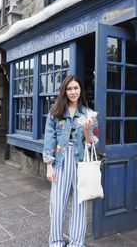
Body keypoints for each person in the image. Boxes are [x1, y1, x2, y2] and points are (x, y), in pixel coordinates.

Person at [43, 75, 99, 247]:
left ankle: (76, 243)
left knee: (79, 205)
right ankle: (56, 242)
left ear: (80, 90)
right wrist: (49, 166)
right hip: (60, 161)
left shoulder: (89, 113)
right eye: (69, 88)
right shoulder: (56, 112)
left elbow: (92, 143)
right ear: (64, 91)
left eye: (76, 88)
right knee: (58, 205)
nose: (73, 92)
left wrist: (88, 131)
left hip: (80, 162)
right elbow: (49, 139)